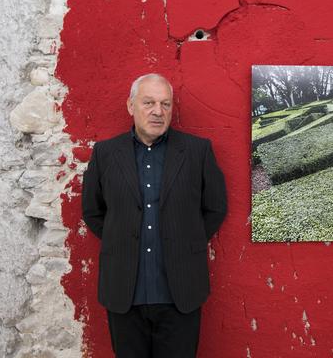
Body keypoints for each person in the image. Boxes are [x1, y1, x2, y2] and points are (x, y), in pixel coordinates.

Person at [81, 73, 227, 357]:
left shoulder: (197, 151)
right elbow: (93, 211)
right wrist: (123, 238)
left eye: (165, 104)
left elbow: (215, 207)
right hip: (124, 292)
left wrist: (184, 240)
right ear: (130, 106)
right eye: (148, 102)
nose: (158, 111)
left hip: (180, 292)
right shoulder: (106, 153)